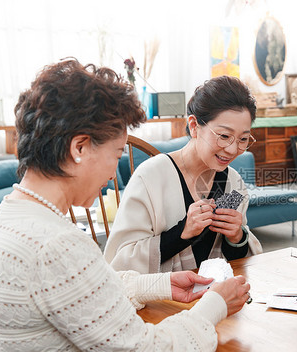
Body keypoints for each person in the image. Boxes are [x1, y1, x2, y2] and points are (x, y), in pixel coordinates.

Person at [0, 59, 251, 352]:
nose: (112, 176)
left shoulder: (12, 218)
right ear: (79, 147)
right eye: (117, 153)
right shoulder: (57, 246)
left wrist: (159, 286)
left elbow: (80, 291)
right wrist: (212, 306)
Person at [104, 75, 262, 273]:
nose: (232, 150)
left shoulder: (233, 183)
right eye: (224, 136)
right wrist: (182, 232)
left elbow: (238, 265)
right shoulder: (150, 177)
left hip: (216, 297)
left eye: (243, 139)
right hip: (162, 300)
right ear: (194, 126)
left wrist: (236, 237)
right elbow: (120, 264)